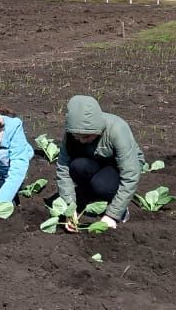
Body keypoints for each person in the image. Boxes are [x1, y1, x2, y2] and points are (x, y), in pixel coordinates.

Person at [55, 94, 144, 231]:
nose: (82, 141)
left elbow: (131, 174)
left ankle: (120, 208)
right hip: (95, 162)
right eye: (77, 137)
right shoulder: (71, 134)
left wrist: (113, 215)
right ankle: (92, 198)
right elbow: (63, 168)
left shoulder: (117, 129)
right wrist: (69, 208)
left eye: (86, 136)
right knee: (77, 166)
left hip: (117, 167)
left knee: (102, 185)